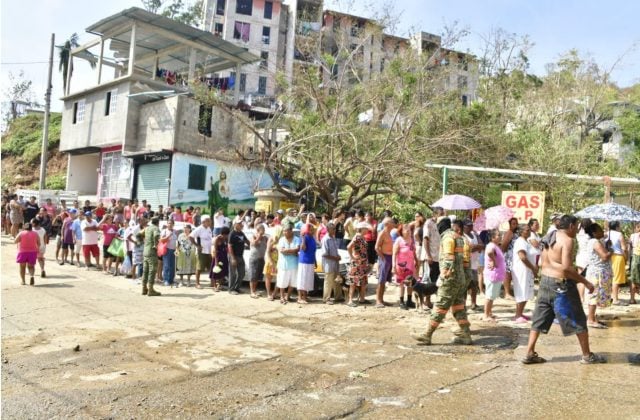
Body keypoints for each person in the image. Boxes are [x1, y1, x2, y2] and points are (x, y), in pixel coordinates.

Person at [522, 215, 606, 365]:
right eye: (577, 227)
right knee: (578, 319)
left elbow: (542, 262)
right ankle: (587, 355)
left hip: (544, 282)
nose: (578, 230)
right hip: (561, 285)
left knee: (539, 319)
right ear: (571, 226)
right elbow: (567, 268)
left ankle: (529, 353)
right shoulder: (567, 240)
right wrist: (586, 282)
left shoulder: (549, 236)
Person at [412, 219, 472, 345]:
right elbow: (466, 262)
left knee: (440, 305)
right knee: (458, 307)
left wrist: (443, 276)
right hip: (460, 278)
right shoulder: (460, 238)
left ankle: (427, 334)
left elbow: (449, 259)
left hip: (450, 279)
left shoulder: (447, 238)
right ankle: (465, 334)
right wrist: (465, 279)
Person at [584, 223, 613, 328]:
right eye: (600, 230)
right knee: (594, 295)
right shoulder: (595, 242)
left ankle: (593, 317)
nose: (602, 232)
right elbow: (605, 256)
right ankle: (590, 319)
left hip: (599, 272)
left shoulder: (598, 241)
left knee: (597, 295)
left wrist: (607, 245)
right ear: (594, 233)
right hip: (597, 273)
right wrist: (611, 251)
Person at [512, 224, 537, 323]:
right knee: (521, 291)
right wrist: (532, 268)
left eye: (529, 229)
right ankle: (517, 315)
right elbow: (522, 257)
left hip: (527, 270)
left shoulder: (526, 241)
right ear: (521, 231)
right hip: (521, 270)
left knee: (526, 291)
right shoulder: (520, 242)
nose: (529, 231)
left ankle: (520, 313)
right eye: (527, 230)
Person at [422, 207, 444, 308]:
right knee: (429, 279)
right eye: (441, 214)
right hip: (430, 256)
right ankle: (427, 301)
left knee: (436, 279)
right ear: (435, 214)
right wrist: (429, 256)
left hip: (438, 256)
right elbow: (425, 240)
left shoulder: (440, 225)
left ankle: (434, 300)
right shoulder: (428, 224)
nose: (442, 216)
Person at [392, 223, 417, 310]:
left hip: (410, 265)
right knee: (402, 284)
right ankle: (401, 302)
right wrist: (393, 266)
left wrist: (416, 261)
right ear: (401, 231)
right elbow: (394, 254)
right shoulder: (399, 240)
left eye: (409, 230)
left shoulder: (412, 239)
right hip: (401, 266)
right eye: (406, 230)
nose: (408, 231)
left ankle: (409, 300)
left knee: (410, 283)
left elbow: (414, 252)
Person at [483, 229, 505, 322]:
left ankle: (489, 312)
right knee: (490, 295)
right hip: (493, 274)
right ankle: (486, 315)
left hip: (497, 275)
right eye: (498, 235)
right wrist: (494, 261)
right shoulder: (491, 245)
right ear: (492, 238)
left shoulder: (496, 246)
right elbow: (489, 252)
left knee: (492, 295)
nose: (500, 236)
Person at [347, 222, 371, 307]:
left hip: (362, 263)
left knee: (363, 281)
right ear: (362, 229)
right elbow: (349, 246)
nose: (367, 230)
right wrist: (352, 257)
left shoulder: (361, 237)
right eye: (366, 228)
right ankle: (350, 300)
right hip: (357, 263)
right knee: (353, 281)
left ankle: (362, 298)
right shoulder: (357, 237)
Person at [276, 223, 300, 304]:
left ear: (291, 231)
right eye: (283, 231)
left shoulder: (297, 239)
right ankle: (282, 297)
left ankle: (288, 296)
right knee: (282, 282)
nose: (284, 233)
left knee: (293, 282)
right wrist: (292, 252)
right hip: (283, 265)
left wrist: (288, 251)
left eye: (286, 231)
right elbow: (282, 251)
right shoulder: (281, 240)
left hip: (294, 265)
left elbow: (297, 249)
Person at [463, 219, 484, 311]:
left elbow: (482, 245)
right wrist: (476, 247)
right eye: (468, 225)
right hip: (466, 264)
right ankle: (463, 305)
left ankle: (473, 303)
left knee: (474, 284)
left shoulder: (474, 234)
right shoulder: (463, 236)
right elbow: (468, 249)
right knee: (465, 285)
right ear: (464, 226)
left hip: (475, 263)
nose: (471, 227)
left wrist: (476, 247)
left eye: (471, 225)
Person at [375, 217, 396, 308]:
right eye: (392, 222)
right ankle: (378, 300)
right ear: (387, 224)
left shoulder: (391, 233)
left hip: (391, 257)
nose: (393, 223)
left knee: (386, 279)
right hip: (385, 257)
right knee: (381, 279)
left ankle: (382, 299)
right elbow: (376, 247)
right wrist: (382, 258)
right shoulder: (382, 233)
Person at [190, 215, 213, 289]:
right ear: (203, 222)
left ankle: (212, 282)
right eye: (208, 220)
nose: (210, 222)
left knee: (211, 267)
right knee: (199, 268)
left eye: (210, 220)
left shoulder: (209, 228)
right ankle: (197, 283)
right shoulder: (199, 229)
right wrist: (197, 245)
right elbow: (190, 236)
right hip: (201, 251)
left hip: (209, 251)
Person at [321, 222, 342, 305]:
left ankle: (338, 297)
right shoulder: (325, 239)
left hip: (335, 263)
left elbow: (334, 251)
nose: (335, 230)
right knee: (328, 282)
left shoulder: (333, 238)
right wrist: (335, 258)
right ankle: (326, 298)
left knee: (337, 280)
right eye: (333, 229)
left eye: (335, 229)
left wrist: (338, 256)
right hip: (328, 264)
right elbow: (325, 254)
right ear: (328, 229)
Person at [608, 221, 628, 305]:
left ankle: (609, 297)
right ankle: (615, 299)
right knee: (616, 278)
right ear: (616, 227)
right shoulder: (619, 234)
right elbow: (624, 248)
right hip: (618, 256)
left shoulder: (606, 234)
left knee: (609, 277)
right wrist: (626, 257)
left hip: (608, 256)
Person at [141, 217, 162, 296]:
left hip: (145, 251)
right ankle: (150, 289)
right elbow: (156, 236)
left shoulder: (146, 228)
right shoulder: (155, 228)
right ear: (158, 222)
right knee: (152, 271)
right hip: (152, 252)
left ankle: (144, 288)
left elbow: (138, 235)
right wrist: (155, 244)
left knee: (145, 270)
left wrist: (144, 243)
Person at [297, 223, 317, 304]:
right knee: (302, 279)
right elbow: (303, 248)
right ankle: (299, 298)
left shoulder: (313, 238)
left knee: (307, 280)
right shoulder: (304, 237)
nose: (313, 230)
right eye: (311, 229)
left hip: (311, 261)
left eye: (313, 229)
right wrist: (303, 238)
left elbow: (313, 251)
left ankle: (305, 296)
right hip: (304, 261)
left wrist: (315, 261)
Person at [228, 220, 249, 295]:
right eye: (239, 224)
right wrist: (233, 258)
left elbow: (247, 241)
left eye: (241, 223)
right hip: (233, 256)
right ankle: (231, 289)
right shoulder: (232, 233)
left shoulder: (241, 233)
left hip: (240, 256)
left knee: (242, 273)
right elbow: (229, 246)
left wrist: (253, 244)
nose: (241, 225)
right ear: (235, 225)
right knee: (233, 274)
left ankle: (237, 288)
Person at [501, 217, 519, 300]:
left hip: (514, 257)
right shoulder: (509, 233)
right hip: (508, 256)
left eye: (516, 223)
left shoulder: (516, 233)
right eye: (513, 224)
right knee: (507, 275)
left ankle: (508, 291)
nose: (515, 225)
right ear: (510, 225)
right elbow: (504, 246)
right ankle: (506, 293)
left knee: (511, 275)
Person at [263, 226, 283, 301]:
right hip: (270, 260)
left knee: (279, 278)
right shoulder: (271, 238)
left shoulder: (282, 239)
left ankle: (274, 293)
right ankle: (268, 294)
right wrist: (271, 262)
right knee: (268, 278)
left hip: (278, 261)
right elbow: (268, 251)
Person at [249, 224, 268, 298]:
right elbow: (254, 243)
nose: (264, 231)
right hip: (254, 259)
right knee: (253, 276)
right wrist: (259, 237)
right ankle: (252, 292)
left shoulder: (265, 238)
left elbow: (268, 245)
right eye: (262, 229)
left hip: (261, 259)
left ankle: (254, 290)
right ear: (258, 230)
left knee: (258, 276)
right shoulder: (253, 236)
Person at [160, 219, 178, 287]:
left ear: (173, 224)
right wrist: (168, 236)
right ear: (167, 224)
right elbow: (162, 240)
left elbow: (177, 241)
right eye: (168, 223)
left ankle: (171, 280)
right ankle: (166, 280)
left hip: (174, 250)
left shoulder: (175, 232)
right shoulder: (164, 231)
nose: (170, 224)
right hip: (166, 250)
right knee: (166, 265)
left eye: (171, 223)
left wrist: (177, 248)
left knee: (172, 266)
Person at [629, 223, 640, 304]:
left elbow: (629, 248)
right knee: (634, 279)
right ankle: (632, 299)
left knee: (633, 279)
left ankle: (632, 299)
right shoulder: (633, 236)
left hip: (635, 258)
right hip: (635, 257)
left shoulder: (633, 236)